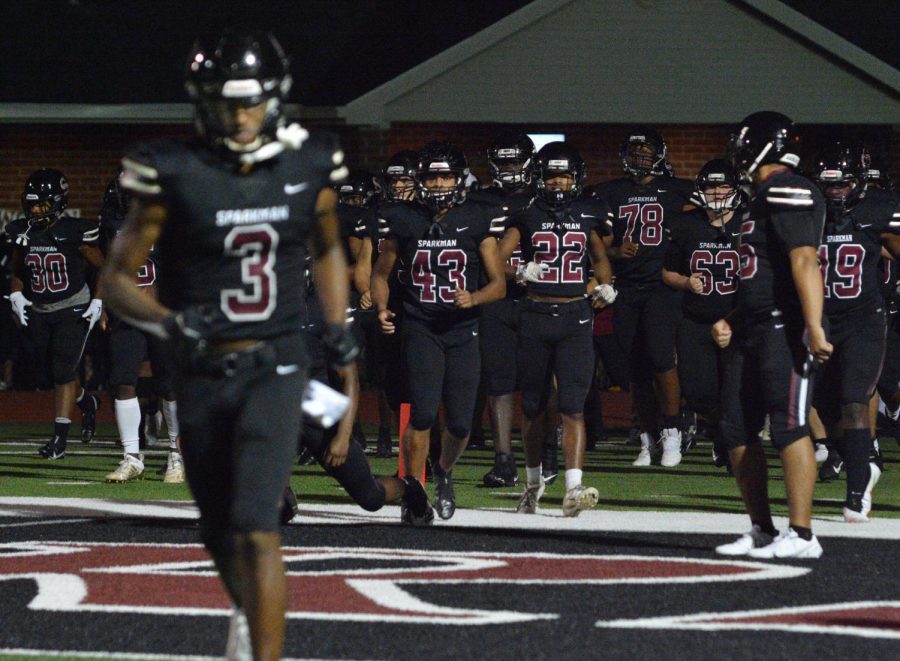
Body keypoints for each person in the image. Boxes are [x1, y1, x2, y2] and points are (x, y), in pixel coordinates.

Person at [102, 30, 357, 660]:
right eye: (225, 102)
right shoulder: (173, 171)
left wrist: (338, 325)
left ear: (274, 97)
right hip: (200, 365)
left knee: (255, 521)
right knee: (217, 525)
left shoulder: (310, 164)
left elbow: (327, 245)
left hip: (278, 359)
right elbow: (115, 278)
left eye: (249, 101)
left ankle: (261, 652)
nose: (239, 116)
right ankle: (247, 614)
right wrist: (167, 324)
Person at [713, 111, 831, 559]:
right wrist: (733, 318)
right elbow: (764, 276)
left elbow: (804, 259)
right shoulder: (759, 197)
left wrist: (814, 326)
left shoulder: (789, 187)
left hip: (786, 326)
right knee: (736, 430)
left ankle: (802, 535)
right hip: (755, 324)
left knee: (788, 426)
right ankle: (761, 529)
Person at [371, 141, 506, 521]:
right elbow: (380, 273)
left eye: (446, 175)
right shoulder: (403, 217)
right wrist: (382, 307)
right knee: (423, 414)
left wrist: (475, 297)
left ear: (460, 178)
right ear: (420, 179)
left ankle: (443, 471)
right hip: (420, 325)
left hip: (463, 329)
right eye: (432, 175)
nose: (439, 183)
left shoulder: (479, 216)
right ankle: (413, 496)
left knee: (462, 422)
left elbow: (499, 283)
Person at [498, 141, 614, 516]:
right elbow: (496, 260)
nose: (559, 182)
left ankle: (573, 488)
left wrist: (607, 285)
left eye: (565, 175)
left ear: (577, 178)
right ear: (540, 178)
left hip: (575, 318)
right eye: (552, 175)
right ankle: (533, 485)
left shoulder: (588, 213)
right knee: (532, 405)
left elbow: (600, 259)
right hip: (534, 315)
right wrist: (519, 270)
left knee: (572, 406)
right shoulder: (526, 212)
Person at [592, 128, 694, 468]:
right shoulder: (611, 192)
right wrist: (616, 250)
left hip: (661, 288)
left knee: (663, 359)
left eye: (646, 152)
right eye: (634, 152)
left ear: (660, 155)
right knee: (635, 368)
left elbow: (706, 218)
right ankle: (648, 438)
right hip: (627, 287)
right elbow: (595, 242)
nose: (639, 158)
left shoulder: (678, 190)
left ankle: (673, 433)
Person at [809, 143, 900, 522]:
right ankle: (864, 461)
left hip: (864, 318)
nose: (835, 192)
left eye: (842, 184)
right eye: (828, 185)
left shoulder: (877, 211)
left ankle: (857, 490)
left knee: (853, 399)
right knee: (824, 407)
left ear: (858, 182)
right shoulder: (809, 214)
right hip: (822, 319)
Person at [5, 168, 103, 459]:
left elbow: (104, 267)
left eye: (42, 204)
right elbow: (17, 269)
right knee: (52, 373)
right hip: (41, 309)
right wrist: (16, 293)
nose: (35, 210)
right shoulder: (21, 231)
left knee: (63, 371)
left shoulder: (75, 231)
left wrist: (98, 301)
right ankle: (87, 402)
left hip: (72, 306)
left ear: (58, 202)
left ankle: (59, 440)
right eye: (32, 203)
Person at [98, 172, 182, 483]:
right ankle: (132, 456)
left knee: (168, 383)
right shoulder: (112, 223)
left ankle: (177, 453)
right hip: (126, 311)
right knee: (122, 380)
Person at [662, 160, 744, 469]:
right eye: (711, 186)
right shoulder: (685, 225)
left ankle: (729, 438)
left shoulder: (748, 224)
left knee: (734, 391)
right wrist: (685, 281)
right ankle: (717, 428)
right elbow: (667, 272)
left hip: (737, 322)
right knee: (699, 393)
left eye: (723, 185)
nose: (718, 192)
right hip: (696, 321)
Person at [470, 130, 537, 488]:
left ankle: (543, 454)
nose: (510, 169)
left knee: (543, 380)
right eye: (505, 162)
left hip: (541, 299)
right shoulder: (478, 201)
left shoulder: (542, 197)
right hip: (496, 298)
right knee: (498, 381)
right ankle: (504, 459)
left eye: (516, 161)